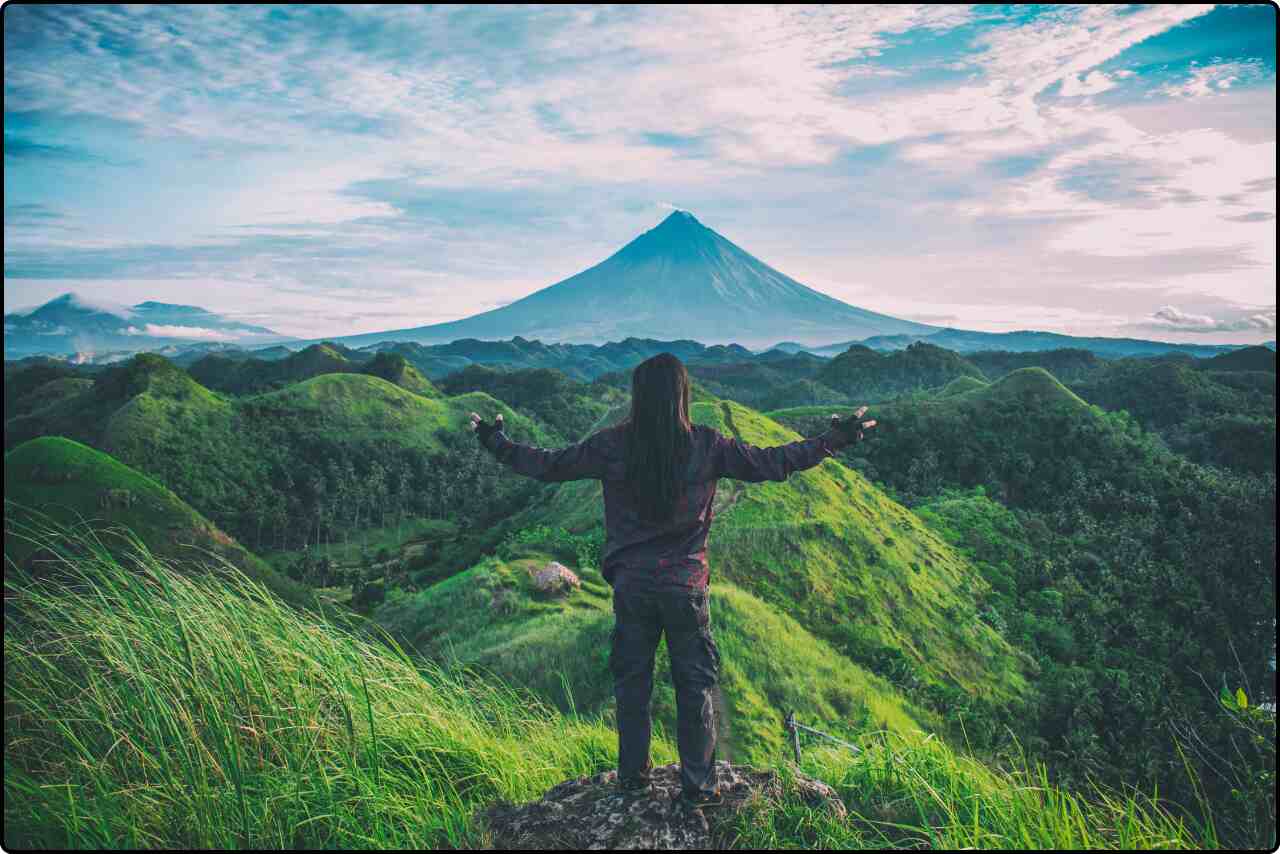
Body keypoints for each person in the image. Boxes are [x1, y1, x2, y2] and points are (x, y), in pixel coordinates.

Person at [469, 352, 875, 811]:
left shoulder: (612, 445)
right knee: (695, 685)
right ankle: (699, 789)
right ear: (683, 396)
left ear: (638, 397)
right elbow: (773, 462)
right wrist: (832, 441)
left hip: (633, 587)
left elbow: (549, 465)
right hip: (685, 586)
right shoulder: (707, 445)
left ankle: (632, 782)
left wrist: (496, 443)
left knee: (633, 684)